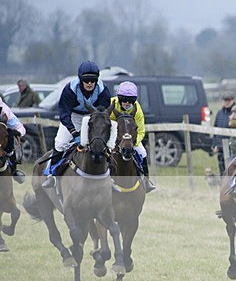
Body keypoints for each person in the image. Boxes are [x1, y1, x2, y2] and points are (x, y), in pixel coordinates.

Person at [42, 60, 111, 188]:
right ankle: (51, 174)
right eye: (86, 80)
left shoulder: (103, 91)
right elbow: (64, 114)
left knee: (104, 145)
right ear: (80, 79)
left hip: (92, 118)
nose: (90, 83)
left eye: (93, 80)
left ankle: (111, 176)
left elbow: (103, 114)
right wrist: (74, 133)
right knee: (60, 143)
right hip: (73, 117)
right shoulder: (70, 90)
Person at [108, 81, 155, 192]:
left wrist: (133, 143)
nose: (127, 103)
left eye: (131, 100)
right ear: (119, 98)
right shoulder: (110, 104)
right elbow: (105, 125)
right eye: (124, 100)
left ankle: (146, 180)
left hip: (130, 139)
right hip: (112, 137)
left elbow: (141, 131)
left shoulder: (137, 110)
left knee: (143, 152)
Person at [0, 98, 27, 183]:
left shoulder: (5, 111)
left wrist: (18, 132)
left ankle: (13, 169)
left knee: (10, 134)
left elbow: (20, 128)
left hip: (1, 139)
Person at [212, 91, 236, 176]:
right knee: (222, 171)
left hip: (232, 148)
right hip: (220, 147)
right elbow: (215, 129)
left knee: (232, 171)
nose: (227, 102)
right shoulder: (219, 113)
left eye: (229, 100)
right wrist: (215, 145)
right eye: (225, 100)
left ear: (232, 100)